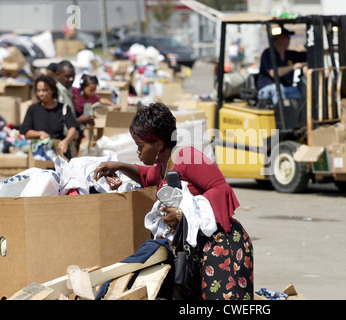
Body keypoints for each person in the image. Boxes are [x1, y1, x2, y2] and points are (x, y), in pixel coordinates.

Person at [93, 102, 254, 300]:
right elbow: (148, 176)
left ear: (159, 145)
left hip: (221, 247)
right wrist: (118, 166)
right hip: (195, 251)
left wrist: (182, 213)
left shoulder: (188, 158)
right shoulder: (163, 166)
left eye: (140, 146)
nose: (138, 152)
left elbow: (222, 190)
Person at [20, 75, 78, 159]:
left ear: (52, 90)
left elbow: (72, 127)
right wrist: (39, 134)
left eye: (45, 90)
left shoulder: (63, 108)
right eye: (39, 91)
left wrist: (66, 141)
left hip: (59, 152)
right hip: (39, 154)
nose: (41, 93)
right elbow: (26, 132)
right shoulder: (33, 109)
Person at [257, 26, 308, 104]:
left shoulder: (290, 54)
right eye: (287, 37)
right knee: (277, 89)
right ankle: (280, 114)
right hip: (267, 88)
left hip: (286, 88)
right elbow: (273, 73)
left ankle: (299, 114)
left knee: (298, 91)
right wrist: (293, 67)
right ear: (279, 39)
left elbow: (310, 55)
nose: (289, 39)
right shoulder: (268, 53)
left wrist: (330, 50)